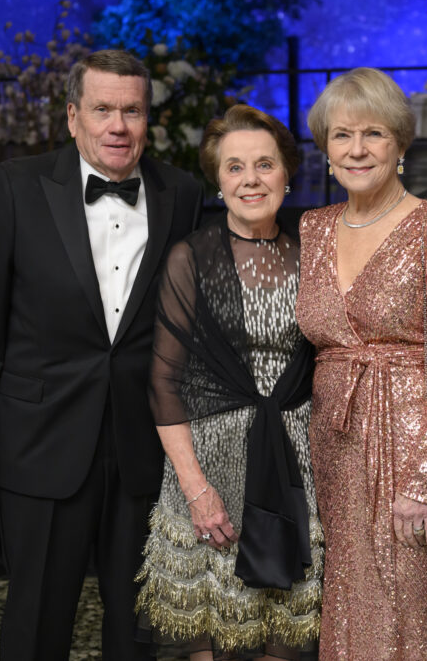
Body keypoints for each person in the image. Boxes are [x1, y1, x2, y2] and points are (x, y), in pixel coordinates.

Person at [0, 49, 202, 659]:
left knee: (139, 625)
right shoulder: (17, 186)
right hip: (42, 433)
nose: (118, 125)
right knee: (36, 618)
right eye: (103, 109)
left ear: (148, 119)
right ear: (72, 117)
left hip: (143, 442)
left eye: (132, 110)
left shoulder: (181, 193)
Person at [295, 67, 427, 660]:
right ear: (325, 148)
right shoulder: (314, 228)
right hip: (332, 442)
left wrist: (423, 480)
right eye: (342, 135)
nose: (357, 149)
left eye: (373, 133)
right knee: (343, 594)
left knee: (404, 605)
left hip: (406, 449)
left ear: (400, 143)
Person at [133, 104, 322, 660]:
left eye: (264, 165)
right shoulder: (190, 258)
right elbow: (164, 382)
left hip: (295, 470)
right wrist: (197, 490)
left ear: (288, 174)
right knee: (208, 641)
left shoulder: (317, 252)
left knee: (284, 637)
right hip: (208, 471)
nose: (250, 179)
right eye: (235, 167)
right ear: (218, 180)